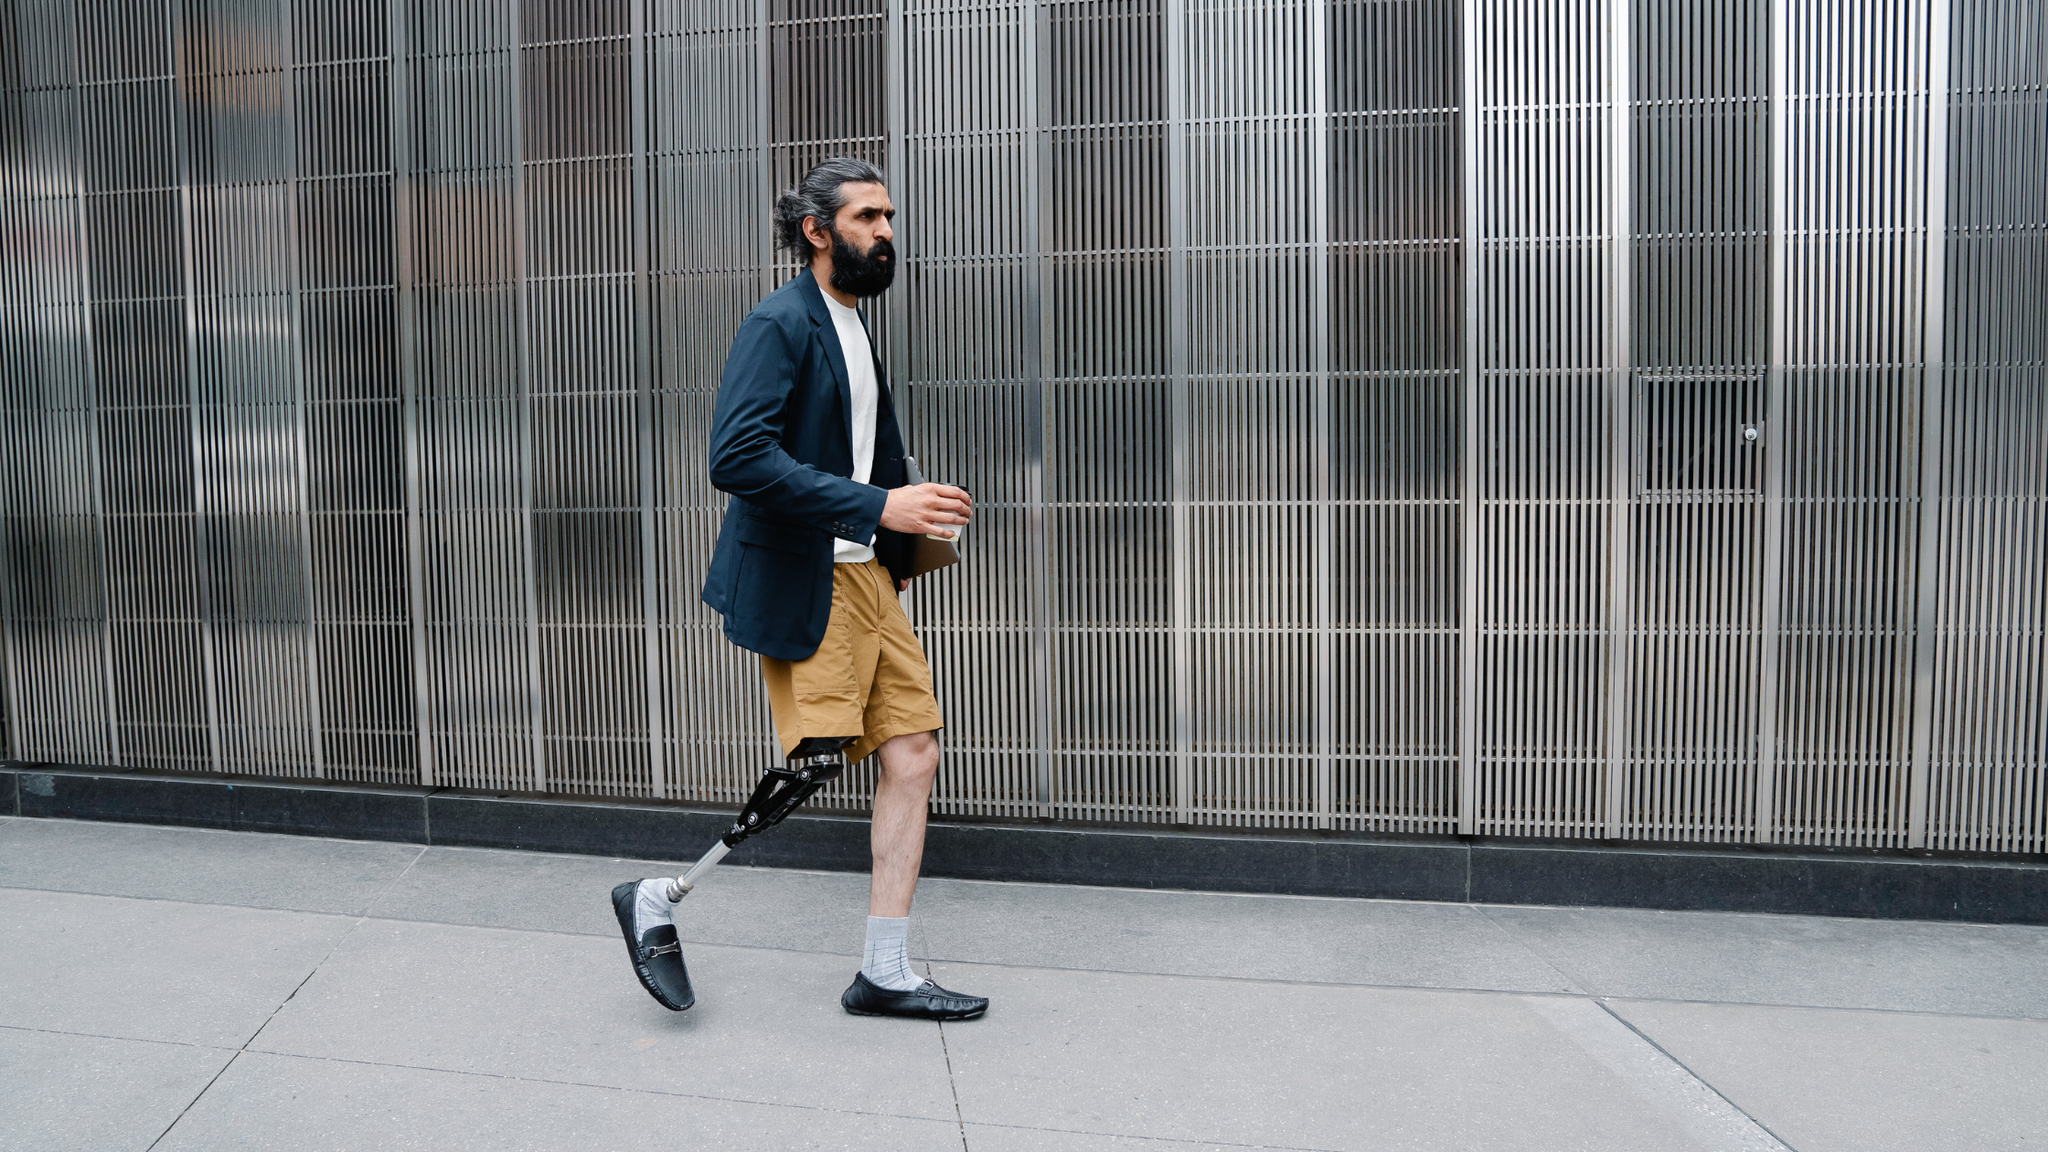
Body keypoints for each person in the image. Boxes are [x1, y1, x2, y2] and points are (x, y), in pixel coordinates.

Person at [616, 157, 988, 1021]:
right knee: (817, 759)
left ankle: (885, 971)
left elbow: (853, 453)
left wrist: (910, 510)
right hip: (808, 573)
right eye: (868, 218)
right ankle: (657, 895)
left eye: (890, 217)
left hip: (868, 577)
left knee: (914, 753)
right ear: (818, 231)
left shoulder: (852, 323)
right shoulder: (778, 323)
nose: (887, 233)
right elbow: (736, 458)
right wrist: (876, 503)